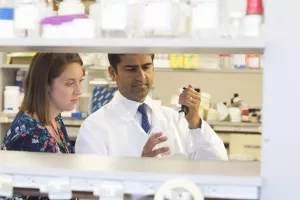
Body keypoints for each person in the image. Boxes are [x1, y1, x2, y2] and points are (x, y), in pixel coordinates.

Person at [75, 54, 228, 160]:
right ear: (112, 73)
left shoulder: (175, 119)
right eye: (131, 69)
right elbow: (91, 190)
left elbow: (217, 162)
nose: (141, 76)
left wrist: (195, 123)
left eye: (146, 67)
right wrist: (140, 169)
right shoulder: (94, 127)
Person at [1, 53, 83, 200]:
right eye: (70, 83)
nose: (79, 91)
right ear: (46, 85)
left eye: (80, 81)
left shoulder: (54, 119)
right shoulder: (29, 134)